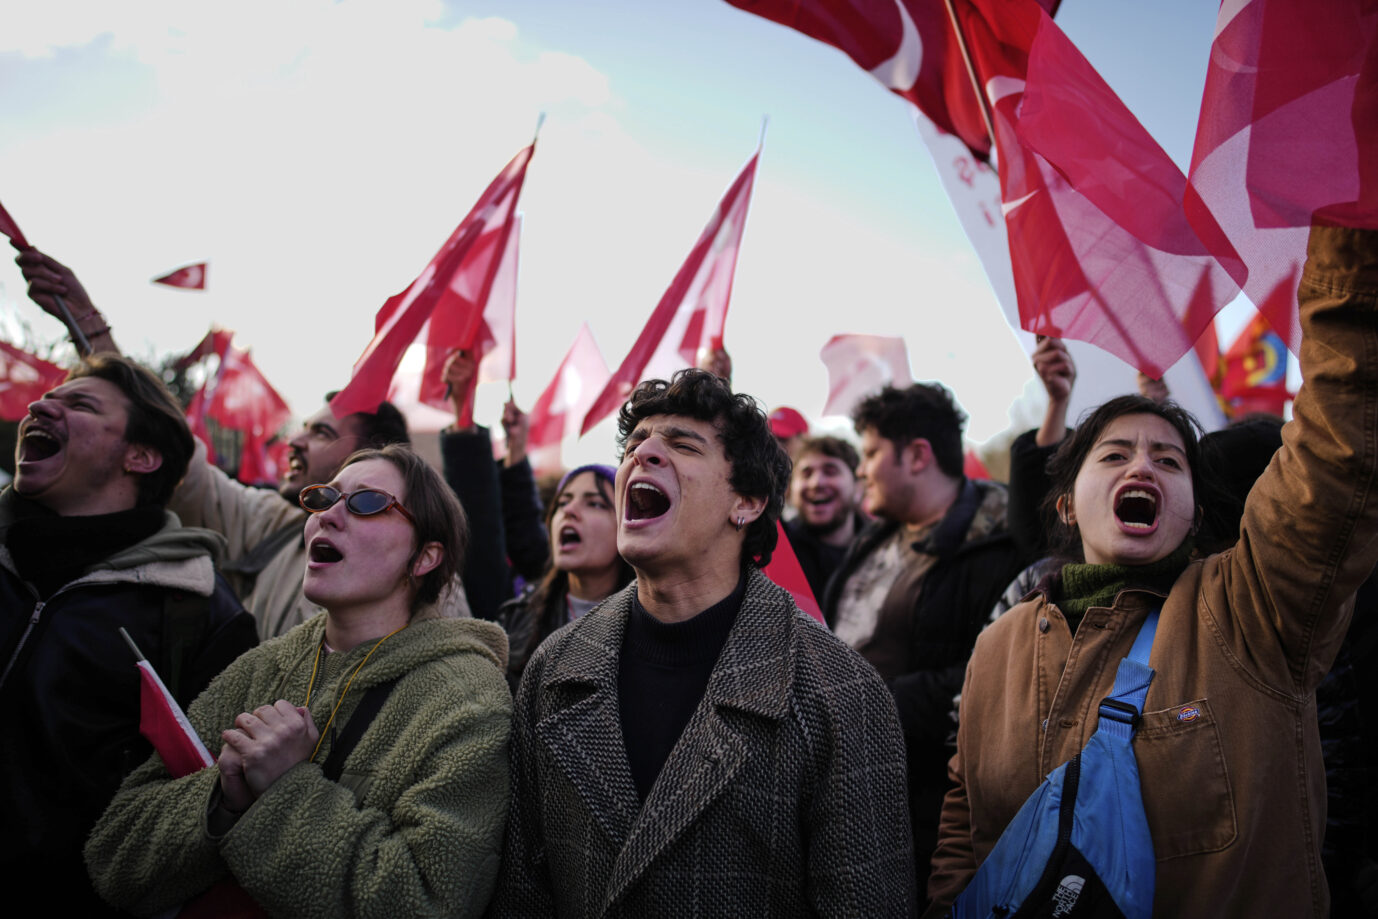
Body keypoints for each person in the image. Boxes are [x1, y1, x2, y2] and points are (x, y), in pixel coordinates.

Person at [926, 226, 1378, 918]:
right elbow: (966, 832)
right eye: (1113, 455)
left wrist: (1352, 224)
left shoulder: (1252, 609)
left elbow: (1340, 455)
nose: (1142, 466)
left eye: (1169, 460)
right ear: (1066, 506)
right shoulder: (1000, 646)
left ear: (1194, 513)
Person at [489, 368, 914, 917]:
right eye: (635, 445)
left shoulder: (842, 691)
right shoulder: (555, 667)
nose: (643, 455)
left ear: (749, 502)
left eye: (682, 445)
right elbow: (523, 890)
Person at [86, 444, 512, 917]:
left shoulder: (468, 697)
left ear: (425, 558)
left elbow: (429, 902)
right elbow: (112, 855)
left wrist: (285, 787)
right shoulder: (261, 666)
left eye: (366, 503)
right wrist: (224, 798)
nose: (327, 515)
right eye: (325, 498)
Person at [13, 246, 431, 638]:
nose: (294, 442)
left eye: (321, 433)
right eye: (302, 427)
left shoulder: (426, 581)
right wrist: (88, 325)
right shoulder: (272, 526)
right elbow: (178, 455)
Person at [0, 353, 256, 916]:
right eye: (52, 398)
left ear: (140, 457)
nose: (42, 405)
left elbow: (196, 812)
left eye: (81, 405)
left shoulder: (199, 613)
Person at [821, 381, 1021, 893]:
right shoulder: (874, 535)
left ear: (916, 456)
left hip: (927, 815)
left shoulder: (998, 549)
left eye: (868, 454)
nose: (860, 469)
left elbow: (996, 676)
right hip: (847, 788)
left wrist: (879, 703)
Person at [497, 463, 634, 688]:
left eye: (595, 504)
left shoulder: (650, 630)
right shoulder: (517, 617)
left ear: (627, 525)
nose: (569, 510)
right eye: (562, 502)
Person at [783, 434, 865, 602]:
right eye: (806, 474)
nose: (817, 483)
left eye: (830, 472)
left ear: (858, 487)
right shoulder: (775, 549)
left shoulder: (884, 550)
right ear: (791, 490)